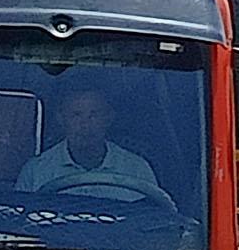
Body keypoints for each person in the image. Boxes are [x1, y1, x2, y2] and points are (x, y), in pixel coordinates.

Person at [16, 86, 160, 200]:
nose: (85, 125)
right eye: (76, 115)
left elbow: (154, 223)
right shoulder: (35, 171)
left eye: (94, 115)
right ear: (61, 119)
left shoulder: (137, 169)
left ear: (108, 118)